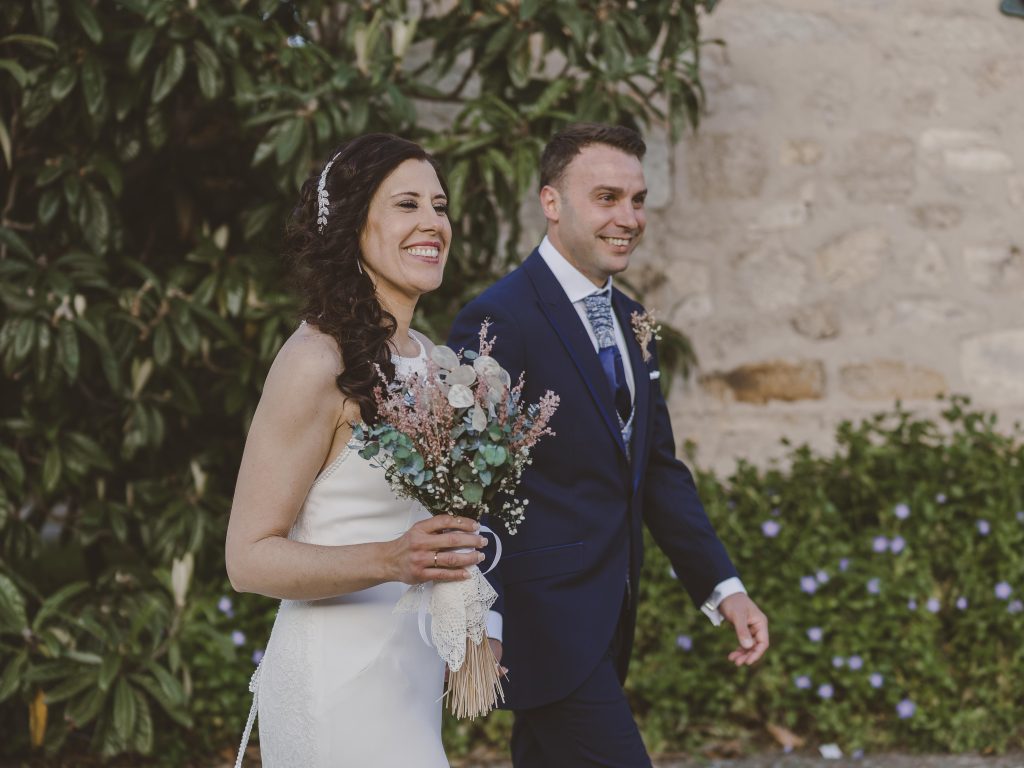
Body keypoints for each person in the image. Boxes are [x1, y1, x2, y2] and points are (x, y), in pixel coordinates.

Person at [448, 123, 770, 767]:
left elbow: (655, 470)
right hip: (540, 626)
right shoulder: (498, 319)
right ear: (551, 202)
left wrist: (723, 586)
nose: (628, 217)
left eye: (638, 199)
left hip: (605, 617)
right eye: (606, 198)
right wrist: (481, 620)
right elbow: (463, 484)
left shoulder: (630, 321)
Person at [225, 133, 488, 767]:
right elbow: (249, 558)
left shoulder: (438, 362)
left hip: (410, 677)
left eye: (440, 205)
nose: (432, 223)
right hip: (335, 684)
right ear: (352, 225)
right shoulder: (315, 360)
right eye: (407, 205)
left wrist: (475, 619)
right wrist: (392, 558)